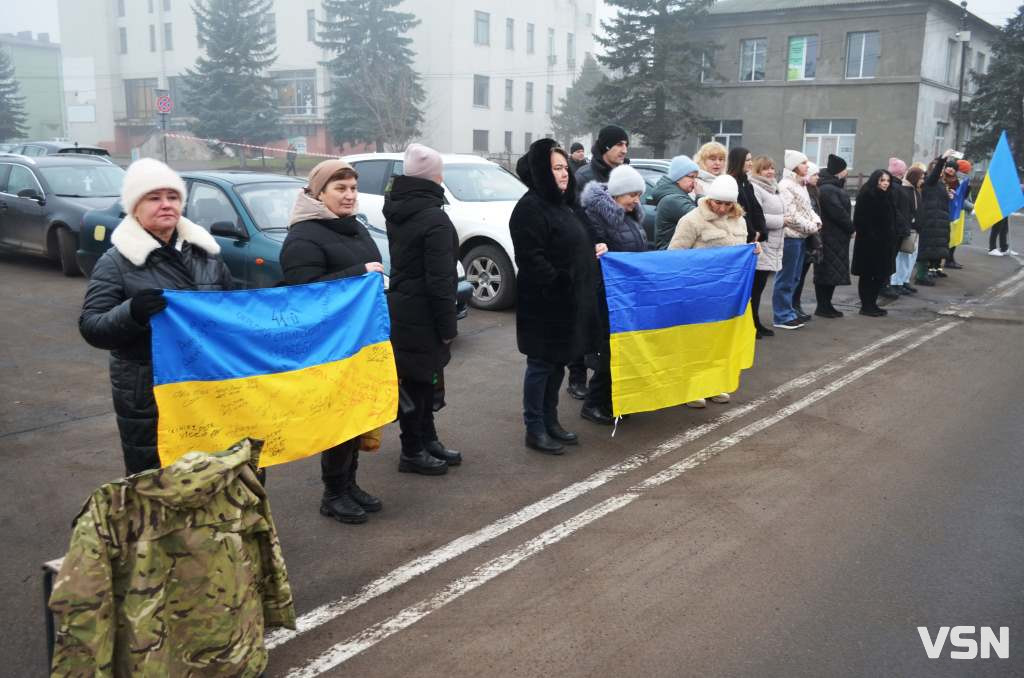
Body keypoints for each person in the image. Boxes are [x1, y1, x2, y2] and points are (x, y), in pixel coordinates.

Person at [79, 158, 234, 475]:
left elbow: (232, 314)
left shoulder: (207, 254)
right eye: (154, 197)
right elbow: (92, 327)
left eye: (173, 197)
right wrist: (131, 313)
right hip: (148, 393)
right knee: (157, 481)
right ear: (135, 207)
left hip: (206, 385)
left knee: (210, 474)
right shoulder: (117, 262)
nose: (166, 205)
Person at [280, 159, 386, 523]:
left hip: (358, 340)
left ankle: (349, 484)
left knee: (356, 416)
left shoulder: (352, 227)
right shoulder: (303, 236)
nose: (349, 196)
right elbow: (302, 294)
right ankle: (333, 493)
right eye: (340, 189)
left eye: (353, 188)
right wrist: (359, 273)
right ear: (318, 192)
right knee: (336, 419)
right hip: (327, 346)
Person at [510, 138, 603, 454]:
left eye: (565, 167)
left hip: (570, 304)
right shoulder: (529, 208)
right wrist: (562, 283)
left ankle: (551, 422)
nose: (564, 174)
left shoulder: (565, 204)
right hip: (544, 305)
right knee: (540, 366)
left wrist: (596, 247)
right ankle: (534, 428)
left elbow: (584, 238)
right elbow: (532, 259)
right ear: (541, 171)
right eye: (556, 168)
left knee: (558, 365)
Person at [384, 143, 463, 477]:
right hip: (425, 313)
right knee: (421, 383)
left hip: (403, 305)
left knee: (420, 380)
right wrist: (448, 327)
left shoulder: (400, 207)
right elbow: (441, 280)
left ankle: (427, 440)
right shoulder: (434, 219)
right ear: (435, 177)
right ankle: (412, 450)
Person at [669, 174, 759, 407]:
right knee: (695, 341)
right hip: (697, 292)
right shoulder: (691, 220)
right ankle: (690, 389)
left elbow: (739, 252)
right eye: (717, 202)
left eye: (727, 204)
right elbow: (674, 257)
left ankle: (712, 384)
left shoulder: (739, 221)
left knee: (718, 341)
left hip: (726, 294)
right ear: (709, 199)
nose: (721, 208)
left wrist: (753, 251)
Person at [579, 164, 648, 424]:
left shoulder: (629, 217)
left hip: (627, 295)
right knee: (609, 351)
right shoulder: (594, 217)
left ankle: (614, 399)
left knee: (625, 349)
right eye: (633, 195)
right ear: (619, 193)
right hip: (605, 295)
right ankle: (593, 403)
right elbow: (591, 253)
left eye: (639, 196)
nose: (636, 201)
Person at [567, 124, 628, 400]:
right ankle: (577, 376)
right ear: (605, 147)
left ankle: (604, 378)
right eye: (619, 144)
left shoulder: (624, 174)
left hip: (617, 260)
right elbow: (576, 217)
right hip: (590, 259)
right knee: (583, 319)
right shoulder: (584, 176)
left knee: (606, 324)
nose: (624, 150)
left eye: (626, 145)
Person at [774, 150, 821, 329]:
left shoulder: (800, 185)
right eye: (803, 162)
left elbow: (808, 210)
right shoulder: (786, 185)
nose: (807, 166)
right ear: (793, 165)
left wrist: (816, 221)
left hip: (801, 237)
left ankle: (790, 311)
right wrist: (812, 227)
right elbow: (790, 215)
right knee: (786, 277)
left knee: (794, 277)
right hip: (790, 238)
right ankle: (781, 315)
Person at [813, 154, 854, 318]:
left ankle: (826, 305)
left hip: (834, 237)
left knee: (830, 272)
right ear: (839, 171)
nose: (846, 173)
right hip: (830, 236)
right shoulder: (829, 189)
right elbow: (838, 213)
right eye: (845, 169)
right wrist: (851, 228)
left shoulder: (831, 186)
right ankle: (823, 306)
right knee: (826, 272)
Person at [748, 155, 785, 337]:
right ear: (756, 171)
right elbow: (759, 216)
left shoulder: (773, 188)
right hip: (763, 243)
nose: (770, 172)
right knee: (755, 288)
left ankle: (756, 322)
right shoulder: (755, 187)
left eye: (771, 168)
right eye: (765, 169)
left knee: (761, 286)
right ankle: (752, 323)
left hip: (775, 243)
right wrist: (783, 221)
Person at [852, 170, 897, 317]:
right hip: (869, 244)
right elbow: (860, 220)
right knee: (868, 275)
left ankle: (872, 303)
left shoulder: (888, 195)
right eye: (882, 180)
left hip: (885, 243)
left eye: (887, 181)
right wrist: (873, 236)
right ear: (875, 180)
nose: (885, 183)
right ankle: (866, 305)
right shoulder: (867, 194)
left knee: (880, 275)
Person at [915, 151, 957, 286]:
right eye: (939, 169)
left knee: (933, 248)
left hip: (939, 220)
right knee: (926, 248)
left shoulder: (939, 183)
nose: (941, 171)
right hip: (930, 219)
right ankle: (920, 276)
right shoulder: (929, 181)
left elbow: (939, 198)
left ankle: (929, 272)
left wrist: (949, 196)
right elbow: (935, 173)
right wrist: (943, 159)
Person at [792, 162, 823, 318]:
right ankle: (793, 306)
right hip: (803, 236)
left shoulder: (813, 191)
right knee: (795, 276)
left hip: (811, 238)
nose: (817, 177)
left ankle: (796, 305)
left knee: (801, 276)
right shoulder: (804, 191)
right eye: (814, 174)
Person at [652, 154, 700, 250]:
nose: (695, 182)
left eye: (696, 178)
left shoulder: (677, 196)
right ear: (678, 177)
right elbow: (702, 218)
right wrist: (700, 196)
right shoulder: (673, 200)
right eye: (691, 177)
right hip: (673, 257)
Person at [891, 163, 923, 295]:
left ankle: (904, 280)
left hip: (915, 230)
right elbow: (903, 211)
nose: (923, 181)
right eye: (921, 178)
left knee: (910, 257)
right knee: (901, 257)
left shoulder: (916, 191)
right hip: (907, 230)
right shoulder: (904, 191)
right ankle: (896, 282)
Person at [726, 146, 766, 245]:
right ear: (738, 161)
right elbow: (739, 211)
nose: (751, 163)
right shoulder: (731, 183)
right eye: (747, 160)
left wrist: (760, 231)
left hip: (752, 237)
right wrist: (752, 233)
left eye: (751, 160)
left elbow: (756, 209)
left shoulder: (747, 183)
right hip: (739, 236)